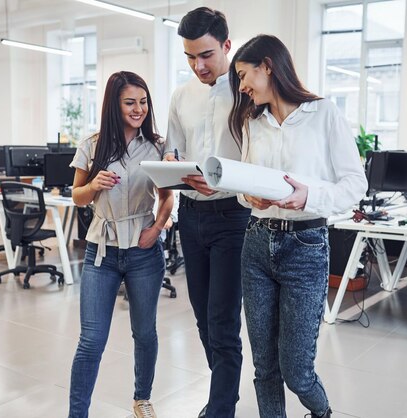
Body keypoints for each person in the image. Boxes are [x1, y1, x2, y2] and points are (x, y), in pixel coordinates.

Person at [228, 35, 368, 418]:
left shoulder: (324, 114)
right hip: (256, 243)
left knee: (297, 370)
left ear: (268, 66)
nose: (241, 86)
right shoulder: (251, 120)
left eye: (244, 75)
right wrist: (249, 196)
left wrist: (308, 197)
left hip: (305, 246)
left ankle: (321, 412)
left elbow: (355, 184)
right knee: (265, 367)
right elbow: (245, 187)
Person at [68, 71, 174, 418]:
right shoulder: (91, 145)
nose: (138, 109)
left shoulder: (158, 147)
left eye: (143, 102)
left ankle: (141, 398)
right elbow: (77, 198)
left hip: (145, 252)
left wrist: (157, 227)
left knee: (144, 333)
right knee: (91, 341)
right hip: (102, 253)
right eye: (130, 102)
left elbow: (167, 197)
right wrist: (95, 184)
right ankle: (77, 413)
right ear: (114, 105)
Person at [164, 7, 251, 418]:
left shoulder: (248, 91)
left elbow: (259, 161)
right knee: (201, 316)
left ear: (227, 46)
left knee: (222, 319)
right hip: (190, 214)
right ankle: (224, 393)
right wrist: (171, 167)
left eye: (206, 55)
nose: (198, 65)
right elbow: (173, 148)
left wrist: (223, 181)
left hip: (234, 216)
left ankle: (220, 409)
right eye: (190, 57)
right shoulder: (182, 95)